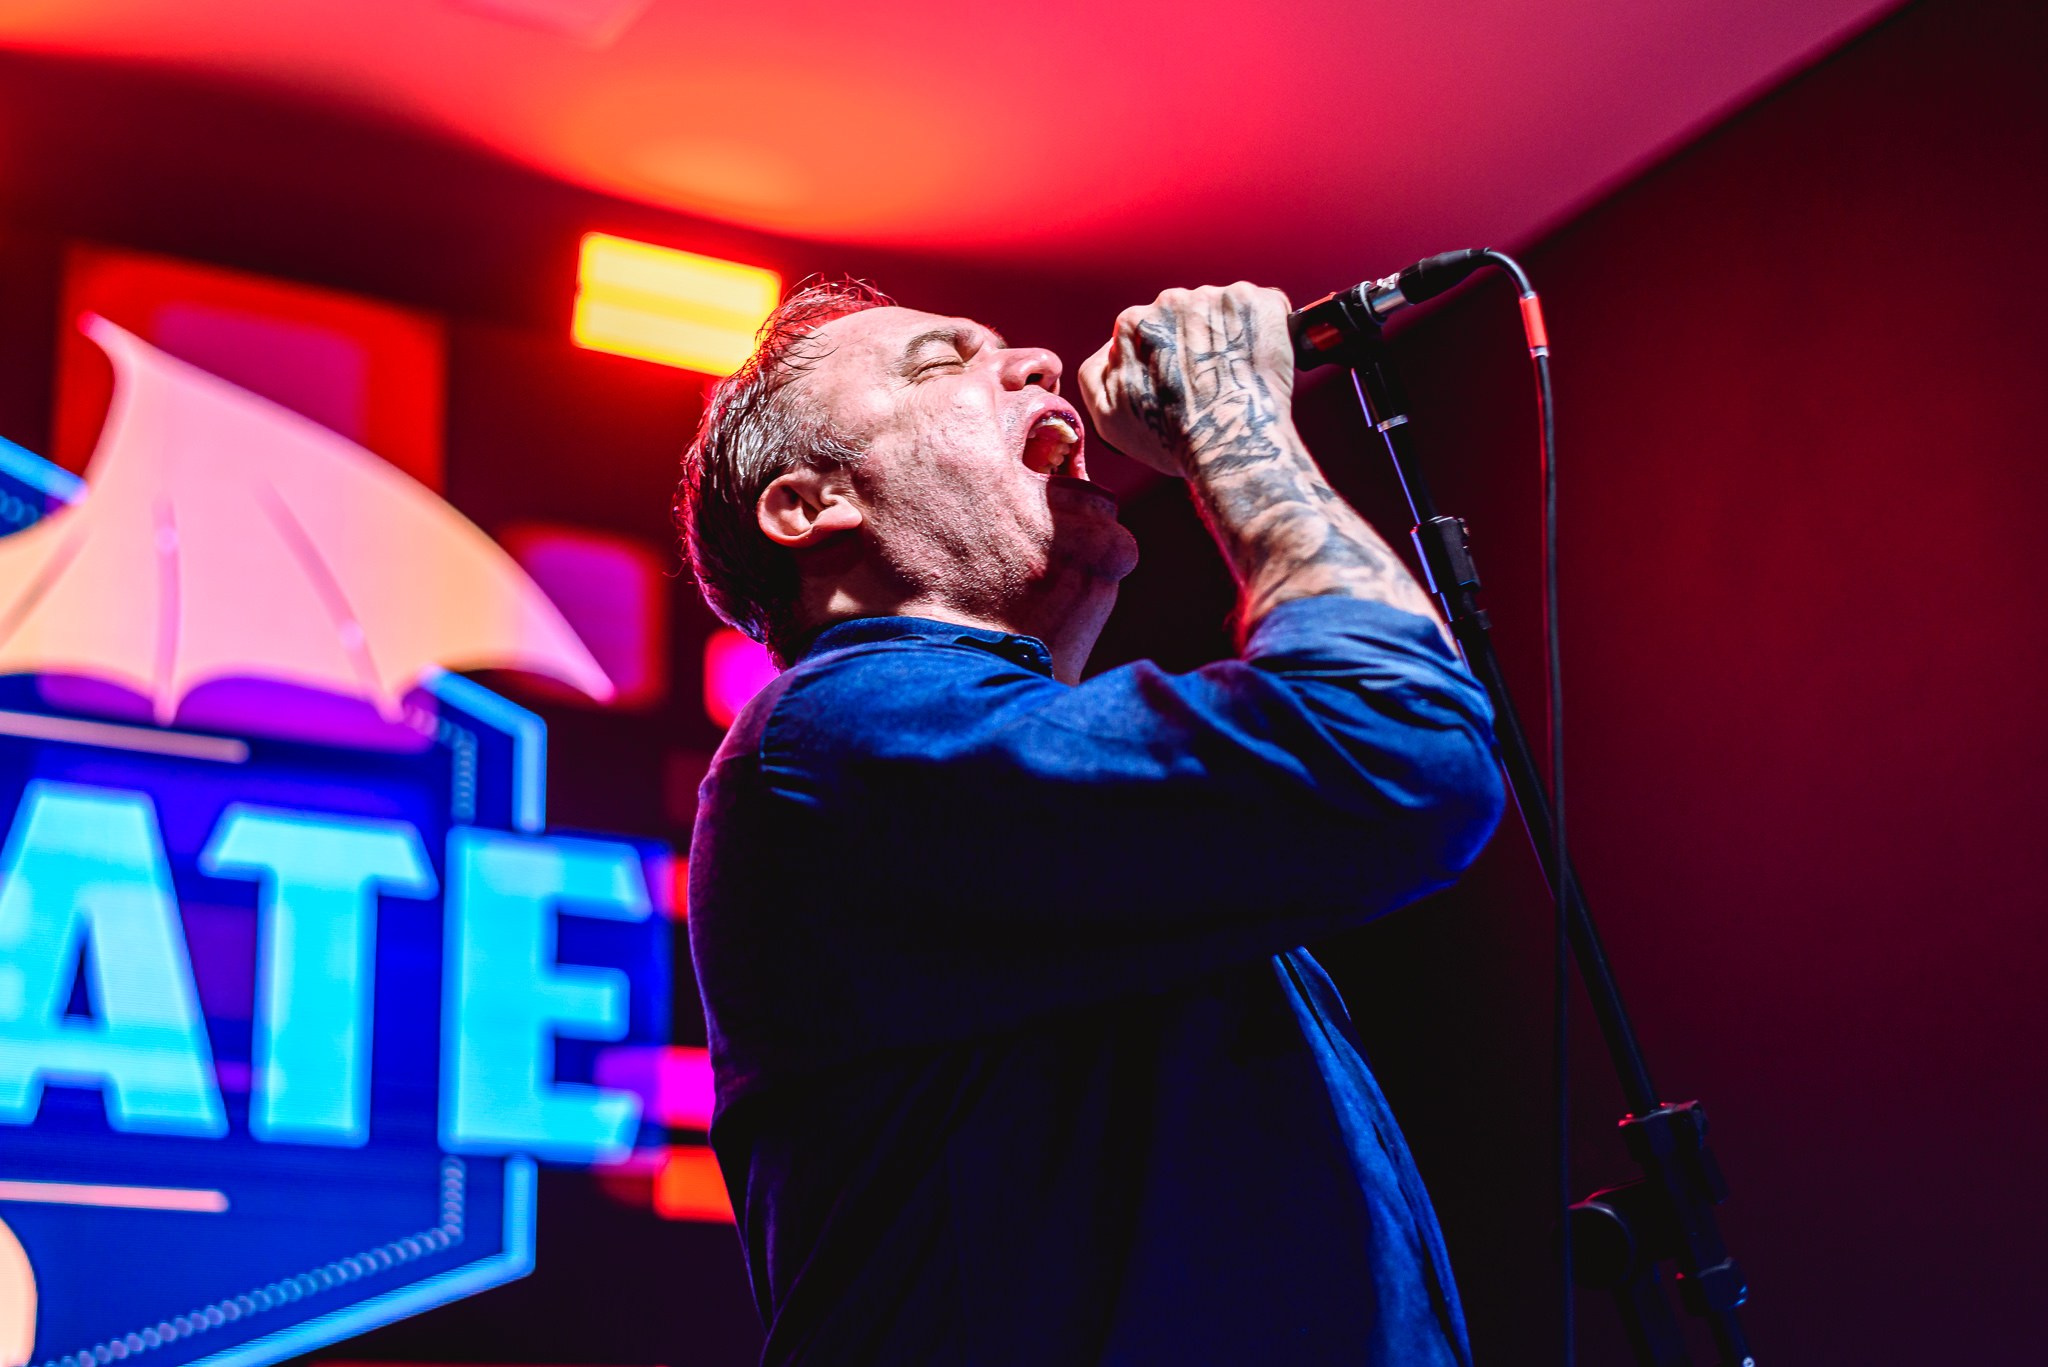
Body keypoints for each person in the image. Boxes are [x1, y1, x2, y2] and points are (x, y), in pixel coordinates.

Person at [677, 278, 1505, 1366]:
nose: (1035, 360)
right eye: (942, 363)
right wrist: (1231, 417)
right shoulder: (835, 732)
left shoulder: (1034, 816)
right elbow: (1400, 740)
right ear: (811, 505)